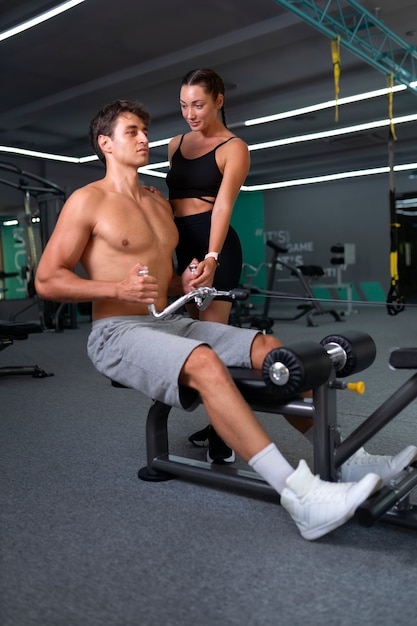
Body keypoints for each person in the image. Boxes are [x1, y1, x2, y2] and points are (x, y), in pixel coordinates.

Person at [35, 100, 417, 542]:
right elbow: (47, 280)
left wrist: (185, 281)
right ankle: (302, 497)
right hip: (118, 332)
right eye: (132, 131)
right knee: (204, 362)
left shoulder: (159, 204)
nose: (144, 139)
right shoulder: (87, 201)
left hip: (171, 320)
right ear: (105, 144)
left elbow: (164, 282)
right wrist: (114, 290)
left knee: (272, 350)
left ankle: (351, 458)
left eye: (145, 130)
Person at [166, 68, 249, 462]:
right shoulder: (174, 144)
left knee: (214, 340)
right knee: (194, 339)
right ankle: (220, 415)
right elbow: (172, 202)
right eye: (184, 105)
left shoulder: (234, 148)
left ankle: (226, 433)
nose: (190, 113)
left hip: (217, 247)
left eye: (198, 104)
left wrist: (213, 258)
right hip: (186, 248)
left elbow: (224, 207)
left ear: (218, 100)